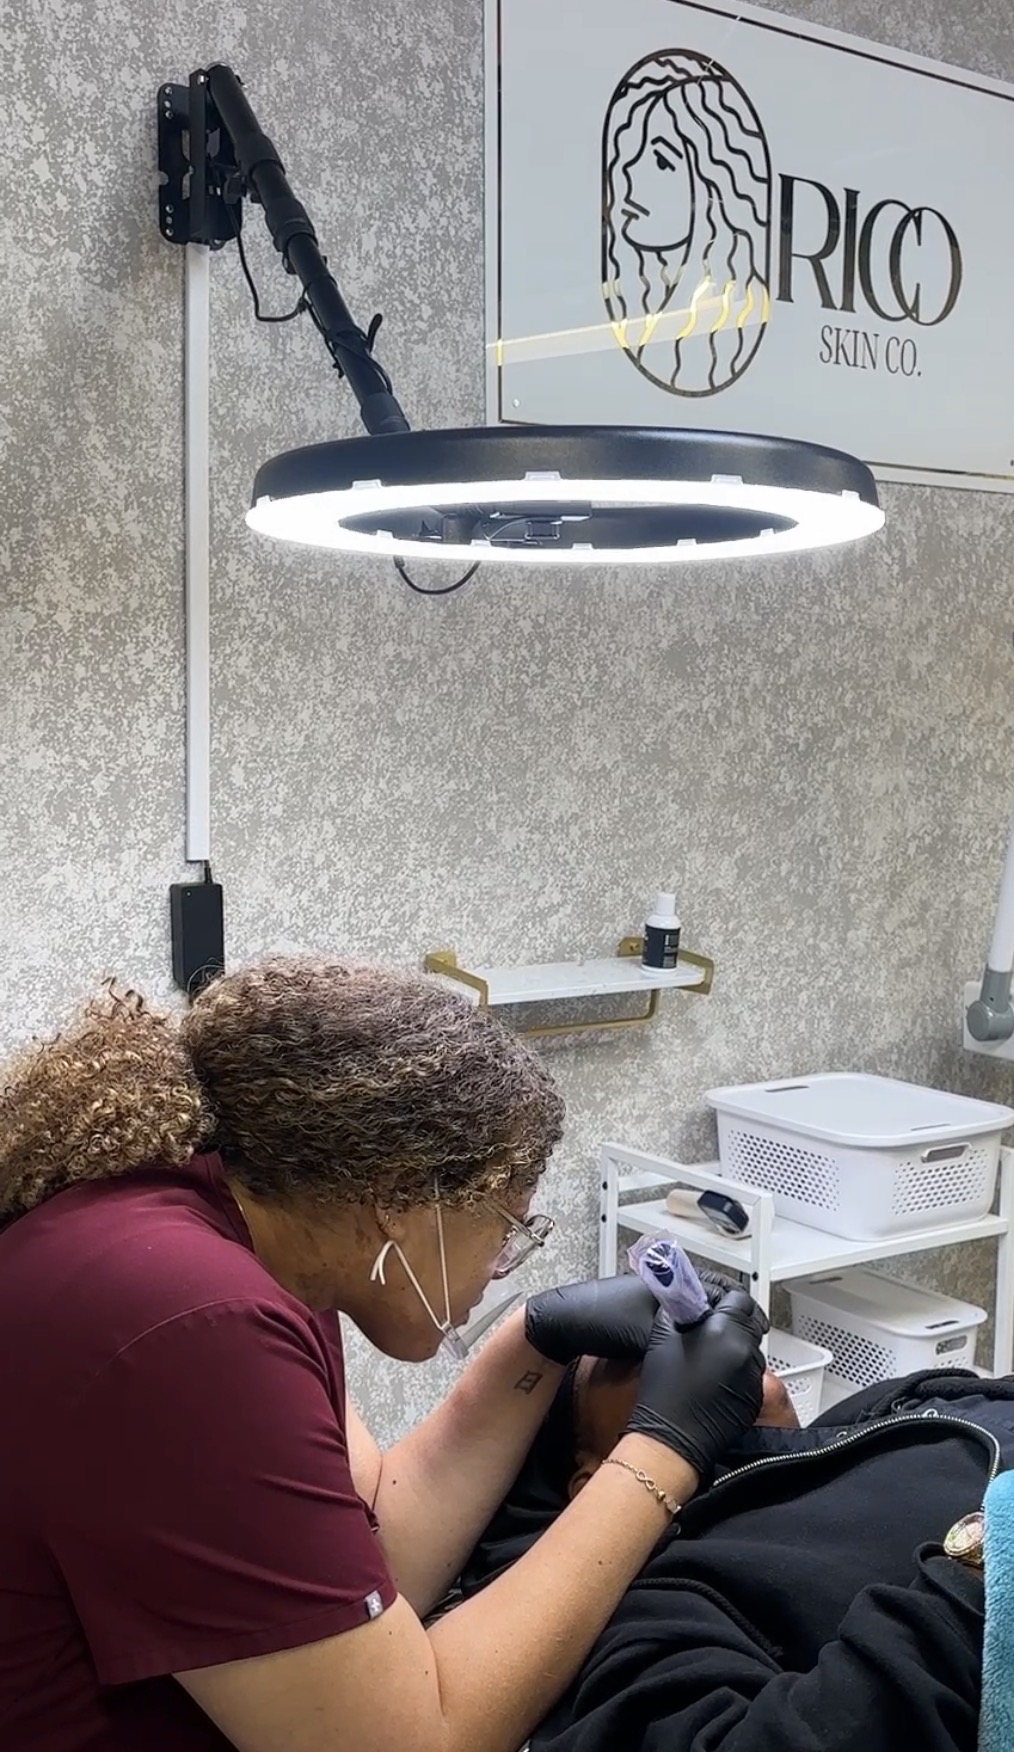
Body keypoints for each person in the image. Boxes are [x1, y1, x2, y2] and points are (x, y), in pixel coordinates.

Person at [0, 956, 768, 1752]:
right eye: (509, 1226)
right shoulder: (196, 1328)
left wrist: (531, 1344)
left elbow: (366, 1568)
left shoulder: (255, 1243)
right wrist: (664, 1452)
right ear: (402, 1199)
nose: (504, 1261)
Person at [461, 1354, 1014, 1752]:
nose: (697, 1328)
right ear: (590, 1483)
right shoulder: (661, 1601)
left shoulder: (890, 1406)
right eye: (638, 1347)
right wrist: (983, 1563)